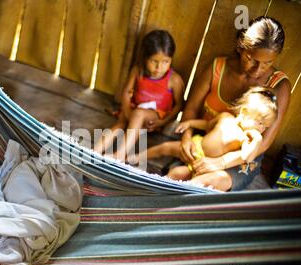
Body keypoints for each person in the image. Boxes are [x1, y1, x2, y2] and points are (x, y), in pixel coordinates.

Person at [177, 16, 290, 191]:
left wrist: (221, 162)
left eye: (268, 63)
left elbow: (264, 144)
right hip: (204, 138)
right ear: (240, 47)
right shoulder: (218, 68)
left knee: (204, 183)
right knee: (178, 172)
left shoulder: (279, 86)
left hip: (244, 157)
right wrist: (186, 137)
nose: (258, 70)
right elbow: (191, 109)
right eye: (251, 59)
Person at [131, 87, 277, 191]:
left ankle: (173, 194)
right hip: (197, 146)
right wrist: (190, 123)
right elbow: (207, 125)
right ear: (244, 113)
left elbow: (247, 156)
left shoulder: (246, 138)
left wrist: (257, 140)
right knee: (166, 147)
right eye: (260, 123)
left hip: (204, 165)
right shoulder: (225, 118)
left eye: (265, 127)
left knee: (181, 175)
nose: (262, 129)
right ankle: (138, 158)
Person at [94, 29, 185, 161]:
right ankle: (94, 152)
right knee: (121, 123)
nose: (159, 67)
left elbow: (179, 105)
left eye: (165, 62)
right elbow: (126, 92)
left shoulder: (174, 80)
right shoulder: (138, 71)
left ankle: (119, 154)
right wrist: (127, 112)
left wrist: (162, 122)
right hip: (134, 110)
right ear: (145, 58)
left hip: (155, 118)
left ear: (171, 59)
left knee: (138, 114)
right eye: (154, 61)